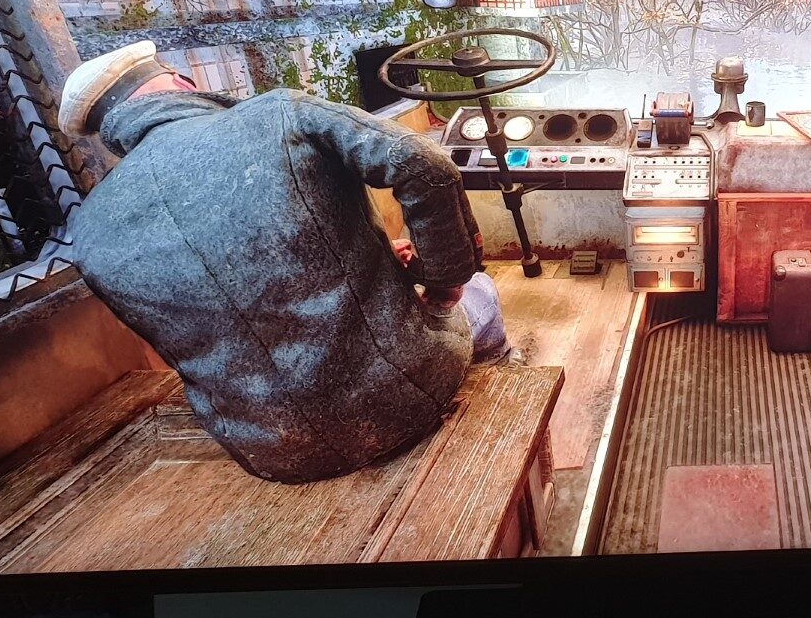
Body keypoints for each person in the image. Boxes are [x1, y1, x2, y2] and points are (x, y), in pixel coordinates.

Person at [58, 40, 498, 484]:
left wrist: (377, 259)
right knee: (483, 292)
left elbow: (225, 307)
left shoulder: (89, 232)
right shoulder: (280, 113)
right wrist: (443, 285)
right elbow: (422, 163)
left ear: (109, 130)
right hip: (406, 392)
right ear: (182, 83)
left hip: (271, 449)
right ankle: (502, 384)